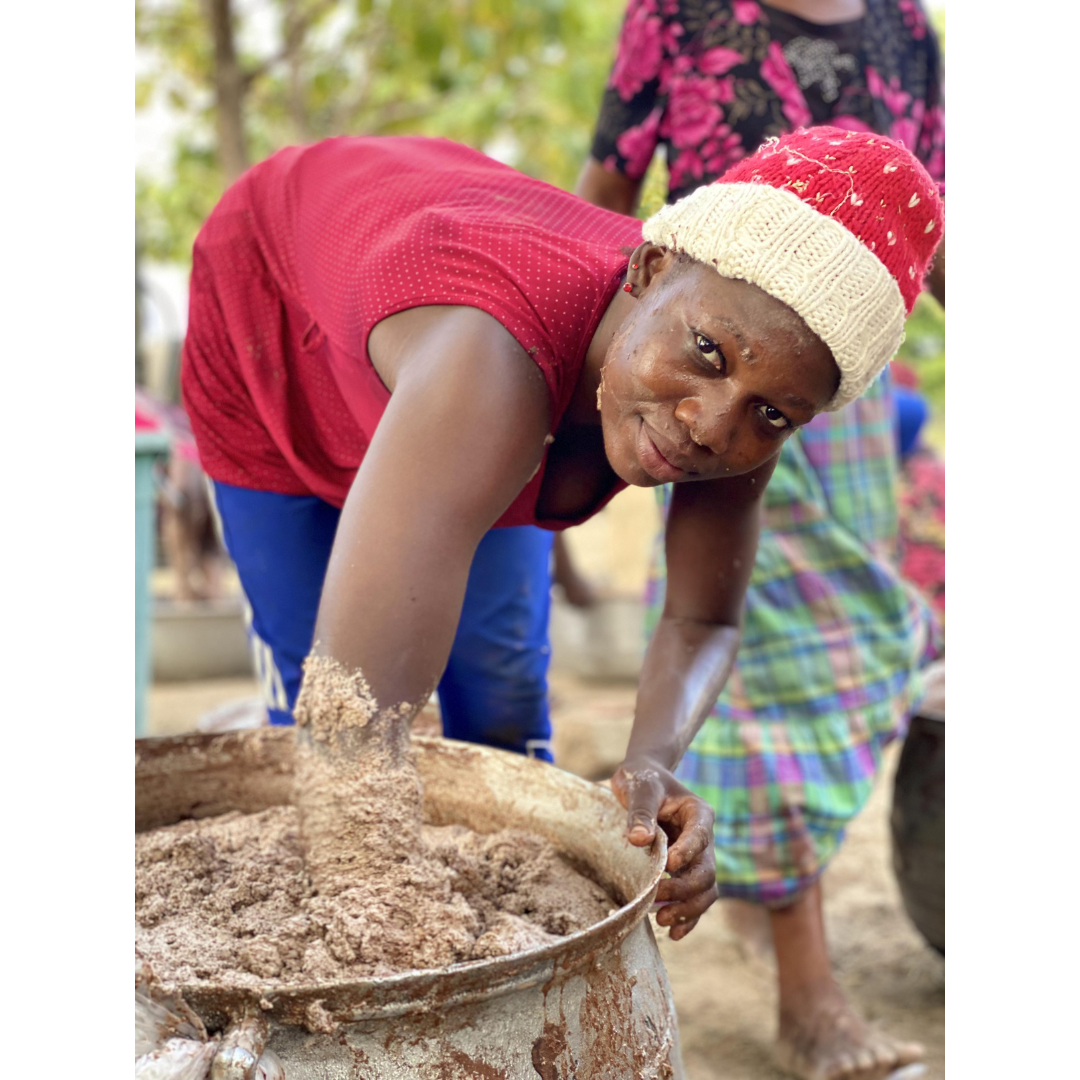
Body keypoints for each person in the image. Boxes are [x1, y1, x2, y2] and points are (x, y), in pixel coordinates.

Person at [182, 128, 942, 984]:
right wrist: (385, 924)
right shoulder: (491, 368)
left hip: (467, 375)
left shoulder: (741, 390)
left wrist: (651, 766)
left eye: (774, 415)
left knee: (502, 703)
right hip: (274, 308)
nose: (711, 426)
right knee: (325, 711)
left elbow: (703, 615)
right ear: (650, 268)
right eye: (705, 355)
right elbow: (350, 720)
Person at [576, 3, 943, 1079]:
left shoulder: (903, 28)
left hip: (835, 408)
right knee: (759, 675)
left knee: (856, 655)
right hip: (699, 370)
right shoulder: (681, 13)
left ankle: (764, 894)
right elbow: (603, 195)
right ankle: (807, 990)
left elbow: (927, 225)